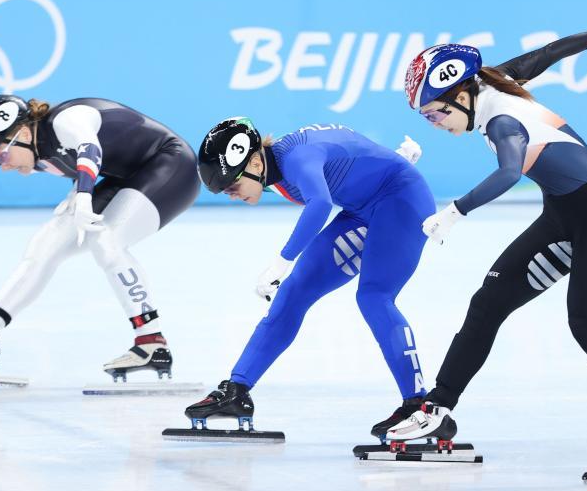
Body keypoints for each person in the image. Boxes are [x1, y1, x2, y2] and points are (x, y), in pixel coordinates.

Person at [390, 24, 587, 470]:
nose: (436, 125)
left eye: (434, 115)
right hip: (563, 215)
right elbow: (547, 53)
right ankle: (437, 411)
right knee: (487, 304)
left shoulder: (501, 120)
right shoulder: (493, 81)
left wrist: (454, 212)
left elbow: (508, 172)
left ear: (460, 95)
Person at [183, 116, 436, 437]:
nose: (232, 194)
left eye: (232, 185)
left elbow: (319, 204)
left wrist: (281, 261)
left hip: (403, 200)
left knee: (374, 297)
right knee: (294, 293)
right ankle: (237, 390)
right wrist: (392, 160)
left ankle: (419, 407)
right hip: (364, 208)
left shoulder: (297, 159)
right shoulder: (273, 170)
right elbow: (349, 152)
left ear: (257, 162)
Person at [0, 95, 200, 382]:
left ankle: (151, 343)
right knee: (47, 243)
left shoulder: (65, 120)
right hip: (124, 176)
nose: (4, 166)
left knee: (106, 239)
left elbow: (89, 148)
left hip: (171, 164)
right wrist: (77, 194)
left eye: (1, 156)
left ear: (21, 133)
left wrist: (84, 196)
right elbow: (89, 161)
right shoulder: (35, 153)